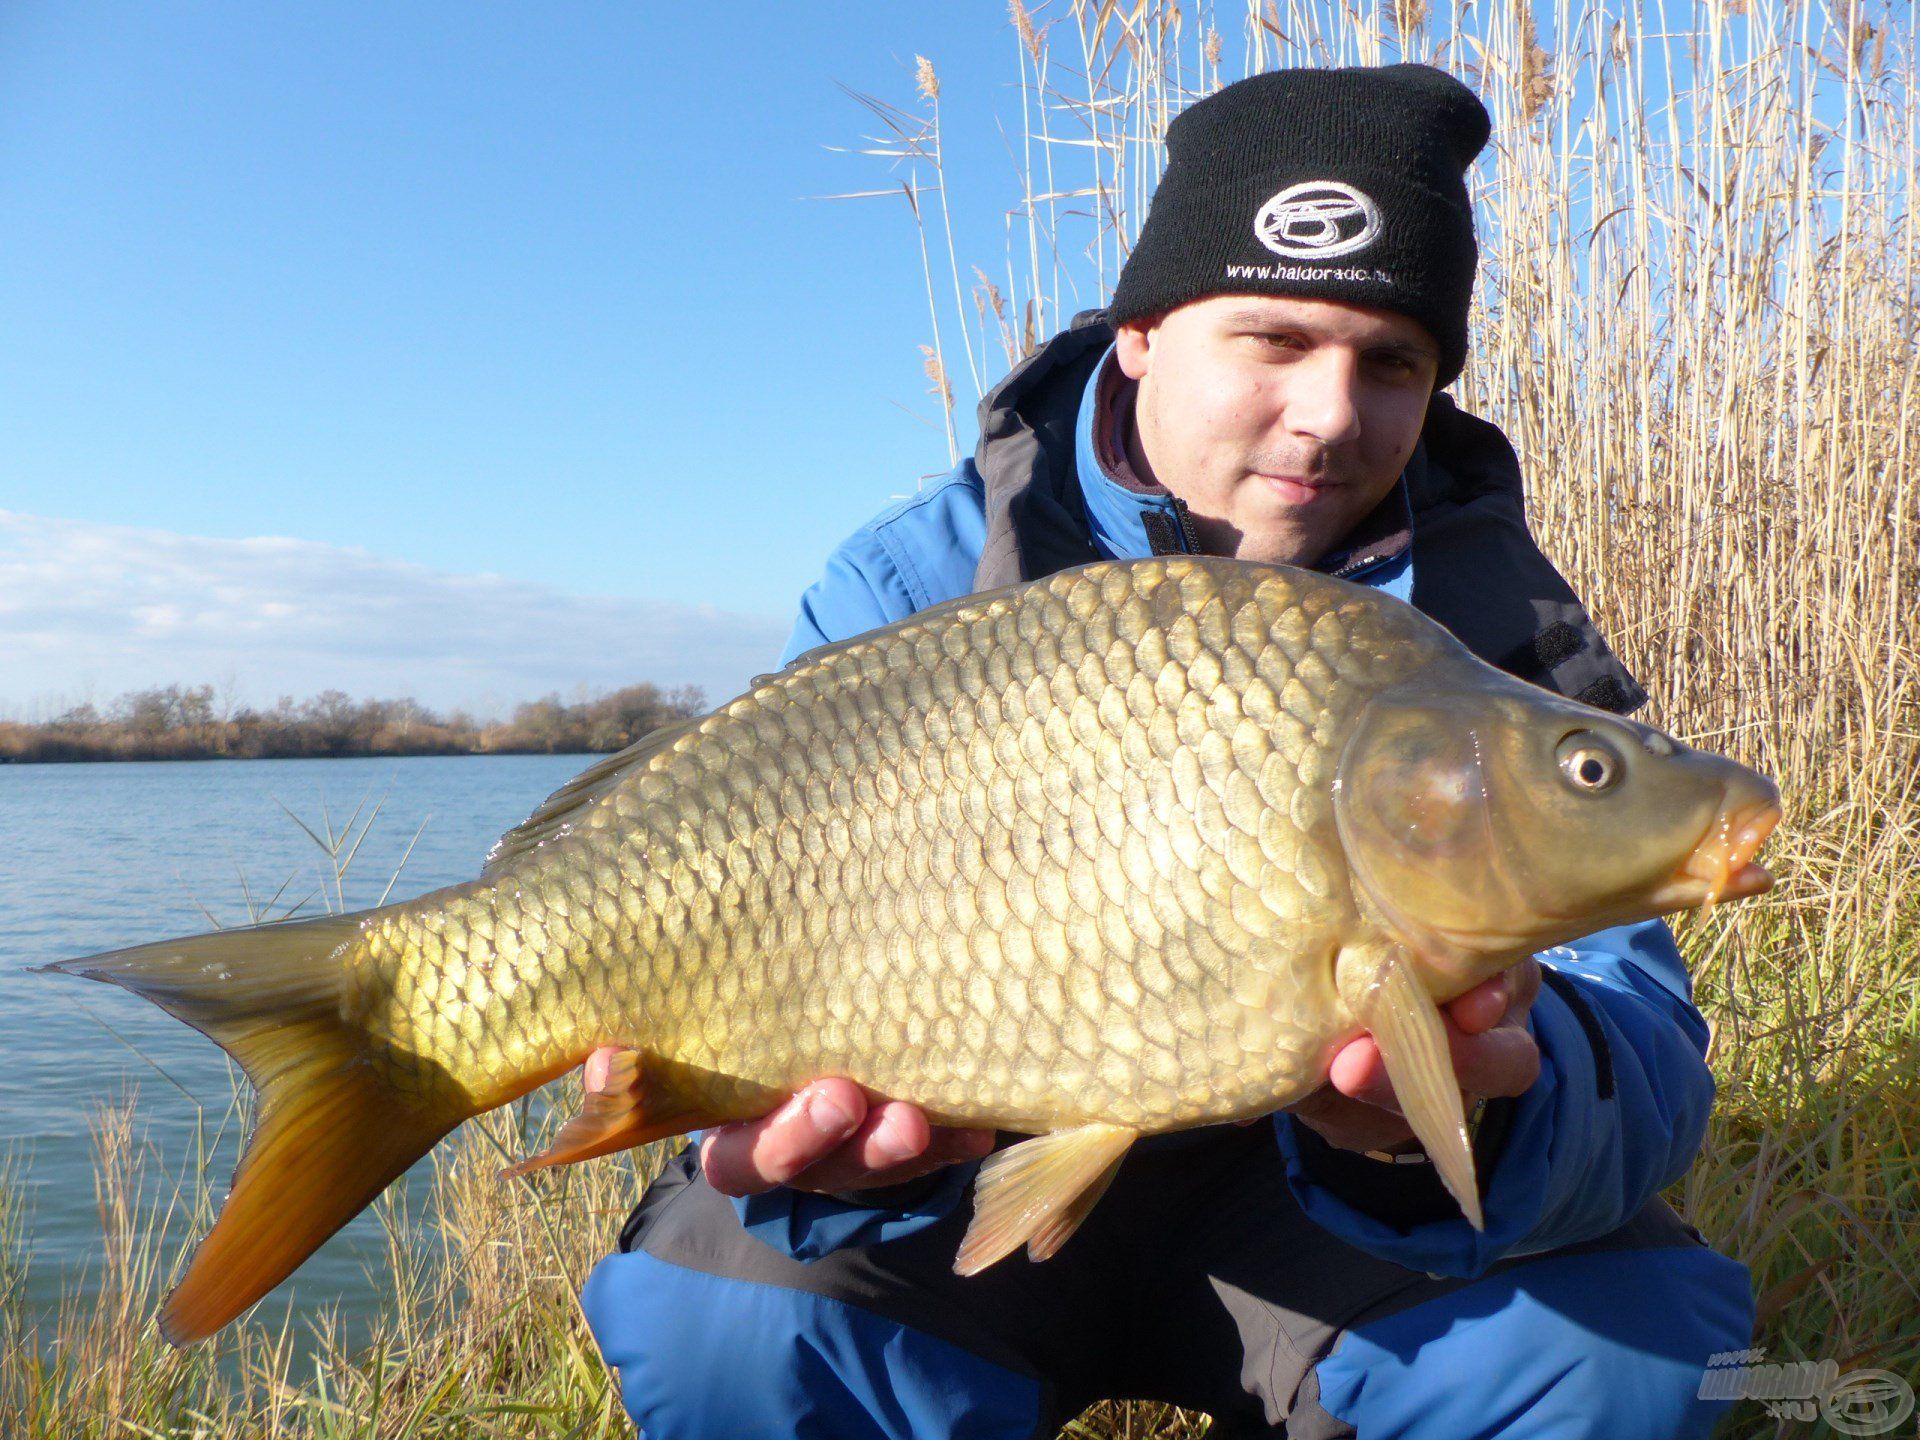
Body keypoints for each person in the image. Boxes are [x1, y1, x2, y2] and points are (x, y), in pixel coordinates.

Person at [577, 64, 1755, 1438]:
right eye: (1271, 338)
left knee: (1620, 1353)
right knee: (727, 1320)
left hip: (1331, 1232)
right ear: (1140, 332)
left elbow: (1647, 1050)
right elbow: (746, 909)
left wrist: (1490, 1107)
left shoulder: (1491, 626)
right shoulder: (919, 576)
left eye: (1393, 362)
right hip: (969, 1185)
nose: (1330, 412)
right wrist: (836, 1165)